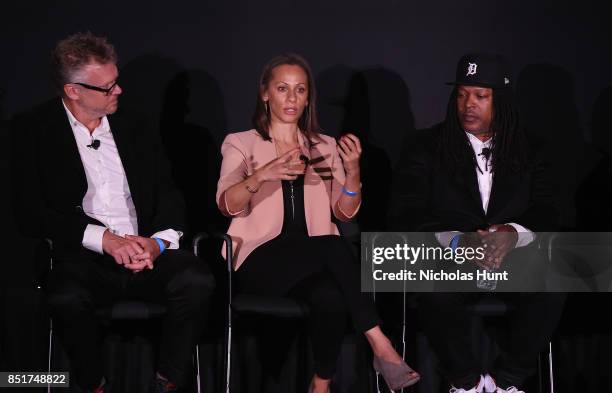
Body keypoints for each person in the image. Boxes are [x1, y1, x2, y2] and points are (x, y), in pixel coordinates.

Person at [10, 32, 215, 393]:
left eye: (116, 82)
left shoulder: (138, 125)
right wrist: (103, 239)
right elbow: (30, 212)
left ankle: (167, 382)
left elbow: (169, 194)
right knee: (65, 296)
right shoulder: (32, 129)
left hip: (144, 251)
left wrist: (158, 243)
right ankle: (95, 385)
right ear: (73, 91)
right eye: (107, 88)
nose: (118, 91)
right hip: (83, 256)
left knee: (196, 280)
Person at [216, 53, 420, 393]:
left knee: (330, 296)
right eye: (282, 89)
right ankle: (381, 345)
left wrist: (353, 171)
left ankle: (321, 385)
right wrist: (264, 174)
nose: (292, 98)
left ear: (308, 97)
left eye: (300, 90)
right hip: (258, 260)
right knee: (334, 245)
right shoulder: (241, 143)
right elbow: (226, 204)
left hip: (312, 261)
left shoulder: (323, 146)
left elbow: (344, 212)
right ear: (265, 93)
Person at [389, 53, 565, 393]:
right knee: (431, 285)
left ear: (502, 100)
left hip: (515, 260)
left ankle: (505, 383)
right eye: (462, 94)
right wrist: (459, 241)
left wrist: (512, 234)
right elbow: (405, 214)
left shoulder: (535, 149)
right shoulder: (424, 147)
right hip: (451, 258)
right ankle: (466, 383)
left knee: (559, 277)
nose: (468, 104)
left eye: (481, 96)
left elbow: (551, 210)